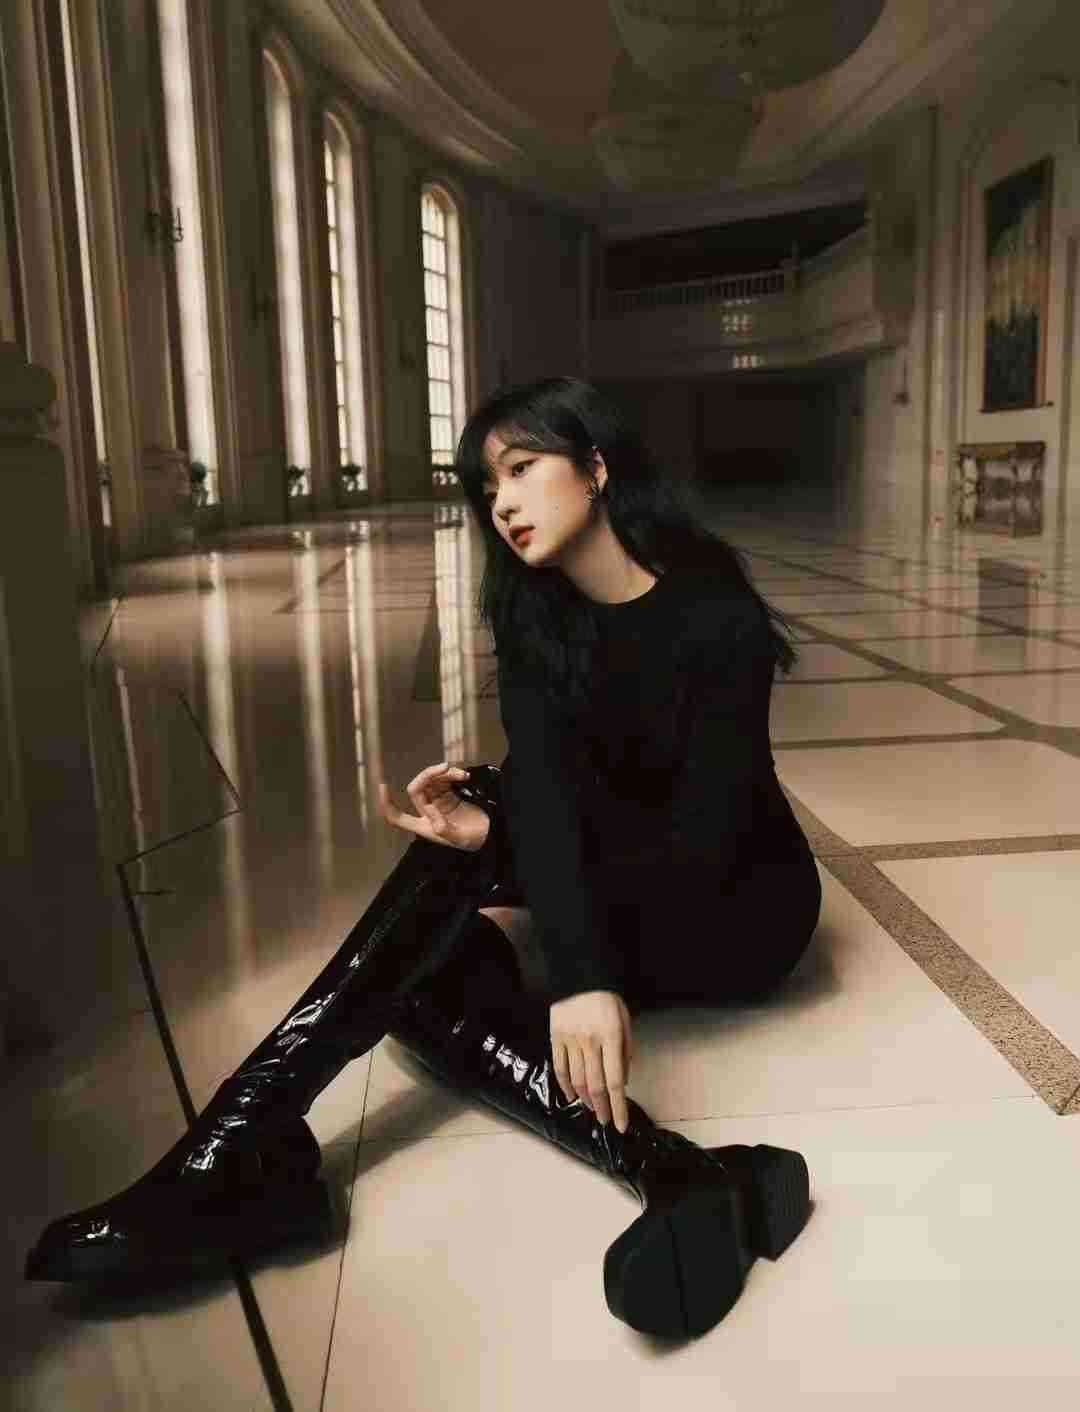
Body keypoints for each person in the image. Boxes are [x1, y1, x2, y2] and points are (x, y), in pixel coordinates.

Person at [25, 377, 822, 1341]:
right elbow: (553, 792)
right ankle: (674, 1169)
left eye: (522, 469)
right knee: (426, 953)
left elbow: (702, 838)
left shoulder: (712, 611)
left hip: (738, 909)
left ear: (597, 467)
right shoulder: (536, 616)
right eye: (488, 489)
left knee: (440, 919)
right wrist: (500, 821)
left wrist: (579, 968)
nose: (504, 504)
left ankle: (231, 1157)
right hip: (632, 883)